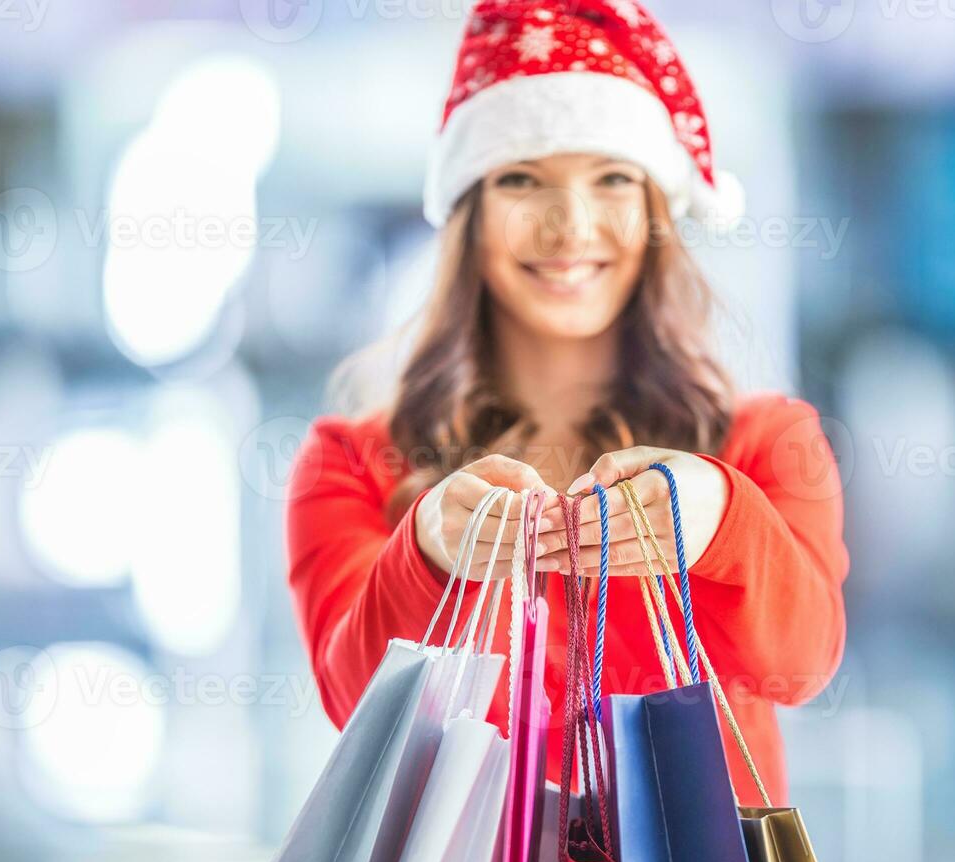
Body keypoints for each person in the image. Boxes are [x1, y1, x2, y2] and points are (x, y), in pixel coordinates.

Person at [286, 0, 848, 805]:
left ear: (659, 212)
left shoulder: (768, 442)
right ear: (468, 218)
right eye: (521, 180)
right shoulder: (349, 461)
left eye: (613, 179)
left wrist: (722, 517)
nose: (569, 225)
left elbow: (803, 663)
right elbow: (353, 701)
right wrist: (427, 554)